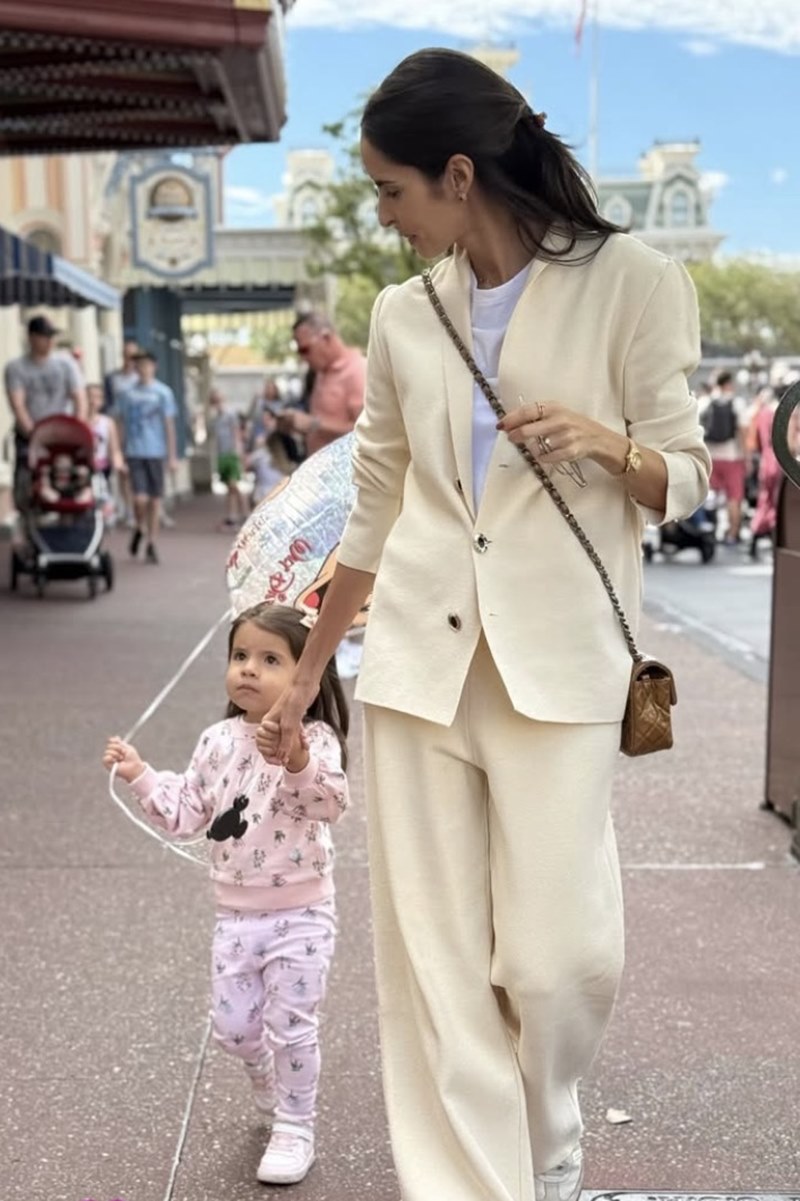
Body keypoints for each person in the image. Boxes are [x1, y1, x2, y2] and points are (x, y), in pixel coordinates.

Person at [258, 48, 711, 1201]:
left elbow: (694, 476)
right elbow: (373, 507)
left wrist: (609, 447)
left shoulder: (636, 283)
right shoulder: (404, 314)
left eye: (389, 189)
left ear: (457, 173)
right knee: (436, 965)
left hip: (558, 670)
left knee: (556, 958)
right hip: (418, 664)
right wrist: (311, 674)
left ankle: (545, 1131)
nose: (381, 213)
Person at [102, 602, 350, 1186]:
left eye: (270, 659)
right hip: (234, 916)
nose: (248, 670)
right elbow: (189, 813)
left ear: (305, 675)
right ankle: (265, 1073)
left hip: (303, 913)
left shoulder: (313, 738)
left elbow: (331, 804)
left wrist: (295, 761)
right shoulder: (216, 740)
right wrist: (141, 774)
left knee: (293, 1023)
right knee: (235, 1030)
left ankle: (296, 1124)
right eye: (240, 656)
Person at [4, 314, 87, 512]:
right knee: (27, 474)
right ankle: (25, 517)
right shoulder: (17, 368)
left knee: (72, 471)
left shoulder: (66, 364)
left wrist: (78, 427)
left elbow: (79, 398)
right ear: (32, 338)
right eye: (44, 336)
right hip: (31, 433)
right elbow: (18, 405)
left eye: (51, 336)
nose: (50, 341)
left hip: (63, 433)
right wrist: (33, 433)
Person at [116, 349, 178, 564]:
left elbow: (169, 425)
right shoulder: (127, 393)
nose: (143, 368)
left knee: (155, 500)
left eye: (146, 364)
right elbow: (121, 423)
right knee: (139, 499)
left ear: (154, 367)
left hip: (156, 452)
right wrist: (119, 452)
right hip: (135, 451)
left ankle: (151, 542)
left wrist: (172, 456)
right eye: (139, 364)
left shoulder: (163, 393)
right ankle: (139, 526)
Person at [278, 315, 366, 457]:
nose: (303, 358)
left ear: (326, 338)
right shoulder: (321, 372)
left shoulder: (357, 371)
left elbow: (366, 433)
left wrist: (313, 424)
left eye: (305, 350)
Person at [699, 370, 749, 546]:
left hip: (710, 457)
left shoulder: (705, 402)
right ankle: (732, 534)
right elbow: (743, 433)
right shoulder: (737, 403)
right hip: (732, 457)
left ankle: (708, 530)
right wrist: (746, 458)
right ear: (729, 383)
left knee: (708, 497)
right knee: (733, 498)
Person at [87, 382, 126, 525]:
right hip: (83, 468)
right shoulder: (78, 420)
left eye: (97, 397)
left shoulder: (107, 423)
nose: (92, 401)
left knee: (101, 499)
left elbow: (114, 449)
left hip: (101, 468)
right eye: (89, 397)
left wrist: (119, 464)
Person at [208, 388, 247, 528]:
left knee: (233, 483)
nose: (217, 404)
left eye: (218, 401)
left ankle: (245, 513)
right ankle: (232, 515)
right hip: (221, 454)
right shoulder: (214, 419)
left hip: (231, 453)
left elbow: (236, 433)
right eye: (214, 402)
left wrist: (238, 451)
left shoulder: (230, 414)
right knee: (229, 487)